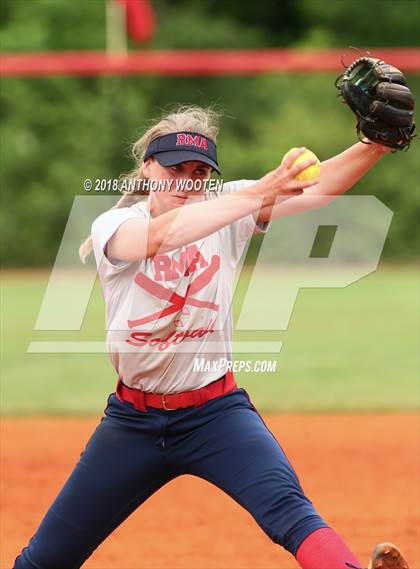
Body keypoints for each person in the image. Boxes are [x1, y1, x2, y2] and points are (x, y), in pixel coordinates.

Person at [14, 105, 410, 569]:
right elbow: (159, 237)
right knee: (46, 559)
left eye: (199, 171)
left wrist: (375, 145)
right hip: (132, 425)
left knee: (292, 515)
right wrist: (260, 192)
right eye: (175, 168)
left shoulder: (231, 205)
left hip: (216, 414)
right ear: (148, 169)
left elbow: (318, 188)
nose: (187, 180)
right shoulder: (115, 225)